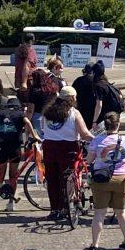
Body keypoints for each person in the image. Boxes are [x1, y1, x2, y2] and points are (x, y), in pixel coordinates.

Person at [84, 112, 125, 250]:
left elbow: (89, 160)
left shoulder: (97, 140)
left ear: (104, 125)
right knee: (121, 212)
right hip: (121, 178)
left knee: (99, 213)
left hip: (101, 179)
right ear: (118, 124)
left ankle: (95, 245)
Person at [40, 86, 94, 220]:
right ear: (71, 98)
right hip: (68, 147)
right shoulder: (73, 113)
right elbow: (84, 134)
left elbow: (43, 130)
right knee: (67, 178)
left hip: (49, 146)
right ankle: (66, 207)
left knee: (52, 179)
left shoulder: (47, 112)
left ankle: (55, 209)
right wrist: (98, 139)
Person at [0, 95, 37, 213]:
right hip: (15, 147)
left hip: (1, 146)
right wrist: (34, 135)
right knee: (13, 176)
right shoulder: (20, 114)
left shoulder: (0, 113)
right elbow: (27, 122)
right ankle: (11, 202)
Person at [90, 60, 123, 126]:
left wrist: (94, 121)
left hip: (106, 115)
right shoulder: (106, 83)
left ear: (94, 73)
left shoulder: (98, 86)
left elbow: (99, 105)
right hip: (114, 113)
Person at [14, 34, 39, 104]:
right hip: (28, 79)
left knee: (21, 100)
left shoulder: (19, 49)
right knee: (28, 102)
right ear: (31, 40)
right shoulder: (29, 50)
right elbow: (26, 66)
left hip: (19, 77)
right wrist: (24, 83)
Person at [72, 63, 98, 128]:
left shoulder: (78, 80)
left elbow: (72, 94)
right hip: (92, 111)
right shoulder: (96, 81)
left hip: (79, 109)